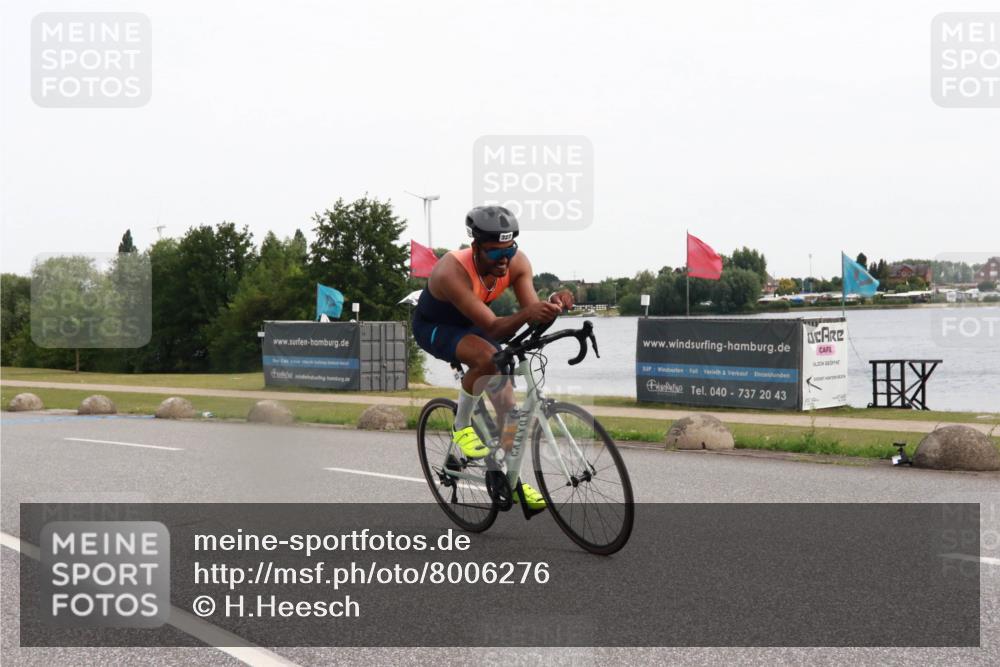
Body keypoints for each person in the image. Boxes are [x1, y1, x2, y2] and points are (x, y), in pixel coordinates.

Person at [412, 206, 574, 509]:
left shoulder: (517, 263)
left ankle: (510, 478)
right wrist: (528, 312)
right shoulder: (452, 271)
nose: (504, 260)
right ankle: (461, 428)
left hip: (474, 321)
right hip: (435, 326)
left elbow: (532, 316)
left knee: (508, 407)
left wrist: (552, 307)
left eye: (509, 249)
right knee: (487, 357)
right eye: (494, 253)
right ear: (476, 247)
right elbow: (494, 328)